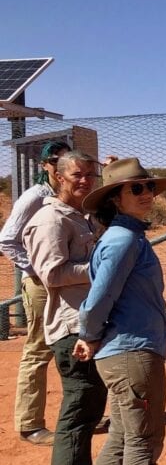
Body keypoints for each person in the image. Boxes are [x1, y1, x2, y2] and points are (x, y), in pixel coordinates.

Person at [75, 158, 166, 465]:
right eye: (136, 189)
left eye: (149, 187)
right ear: (115, 198)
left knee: (122, 440)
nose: (147, 194)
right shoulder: (123, 240)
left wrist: (93, 336)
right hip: (133, 354)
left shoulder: (127, 238)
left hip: (125, 352)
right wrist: (88, 334)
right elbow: (98, 298)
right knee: (143, 443)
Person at [23, 151, 106, 465]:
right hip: (71, 326)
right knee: (82, 401)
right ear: (57, 177)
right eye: (77, 175)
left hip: (85, 320)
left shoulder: (81, 216)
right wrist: (100, 266)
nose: (85, 180)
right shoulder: (51, 220)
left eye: (90, 174)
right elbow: (52, 273)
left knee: (86, 400)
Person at [0, 139, 71, 445]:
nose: (61, 166)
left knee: (70, 346)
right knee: (39, 350)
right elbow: (7, 240)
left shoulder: (69, 195)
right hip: (42, 285)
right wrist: (35, 270)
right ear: (45, 166)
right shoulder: (36, 196)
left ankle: (78, 413)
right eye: (55, 161)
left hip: (69, 283)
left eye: (66, 160)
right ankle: (30, 424)